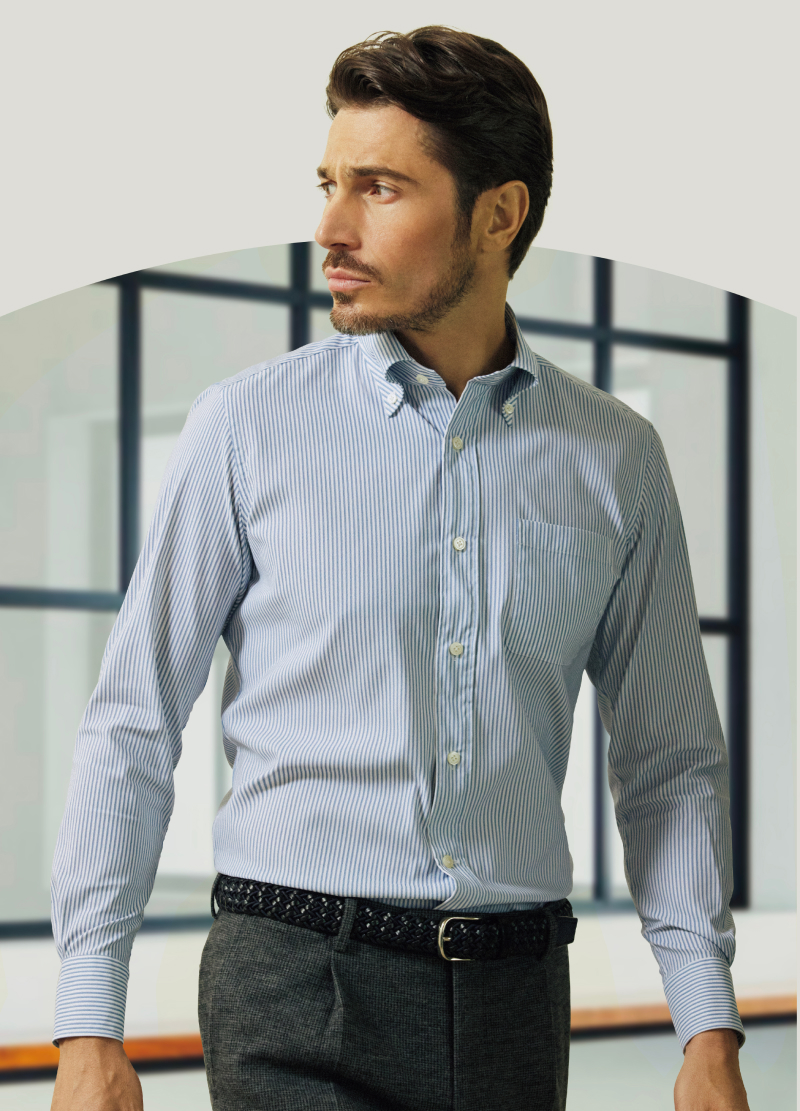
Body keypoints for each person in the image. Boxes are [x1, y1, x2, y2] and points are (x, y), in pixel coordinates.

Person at [50, 25, 750, 1111]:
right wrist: (86, 1026)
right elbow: (133, 723)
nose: (331, 228)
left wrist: (708, 1029)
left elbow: (668, 760)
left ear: (498, 214)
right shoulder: (246, 428)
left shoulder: (616, 457)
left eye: (378, 188)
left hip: (515, 992)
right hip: (296, 979)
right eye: (329, 183)